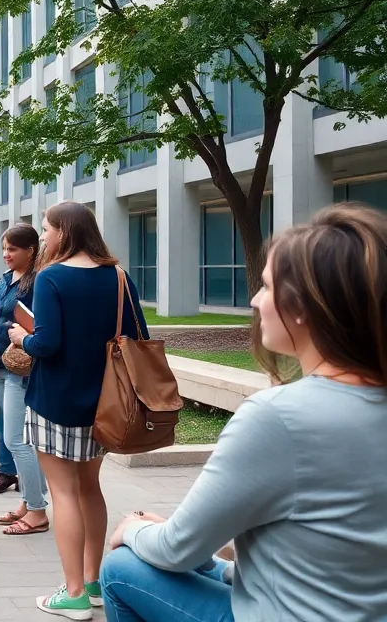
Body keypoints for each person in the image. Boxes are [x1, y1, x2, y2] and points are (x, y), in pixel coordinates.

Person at [100, 204, 387, 622]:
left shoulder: (279, 417)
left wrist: (135, 527)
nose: (254, 299)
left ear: (305, 306)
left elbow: (177, 549)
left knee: (121, 568)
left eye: (267, 287)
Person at [6, 200, 148, 618]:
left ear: (64, 232)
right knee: (89, 489)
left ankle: (73, 595)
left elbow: (46, 344)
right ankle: (92, 581)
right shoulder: (118, 277)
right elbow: (138, 333)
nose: (43, 236)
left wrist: (19, 336)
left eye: (47, 229)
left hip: (56, 400)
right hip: (106, 402)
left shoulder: (51, 278)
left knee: (63, 492)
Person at [0, 224, 49, 536]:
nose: (6, 254)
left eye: (12, 249)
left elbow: (40, 325)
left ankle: (37, 510)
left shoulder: (37, 281)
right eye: (4, 248)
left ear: (31, 250)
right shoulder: (6, 280)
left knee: (16, 440)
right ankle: (29, 501)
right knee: (11, 436)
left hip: (19, 369)